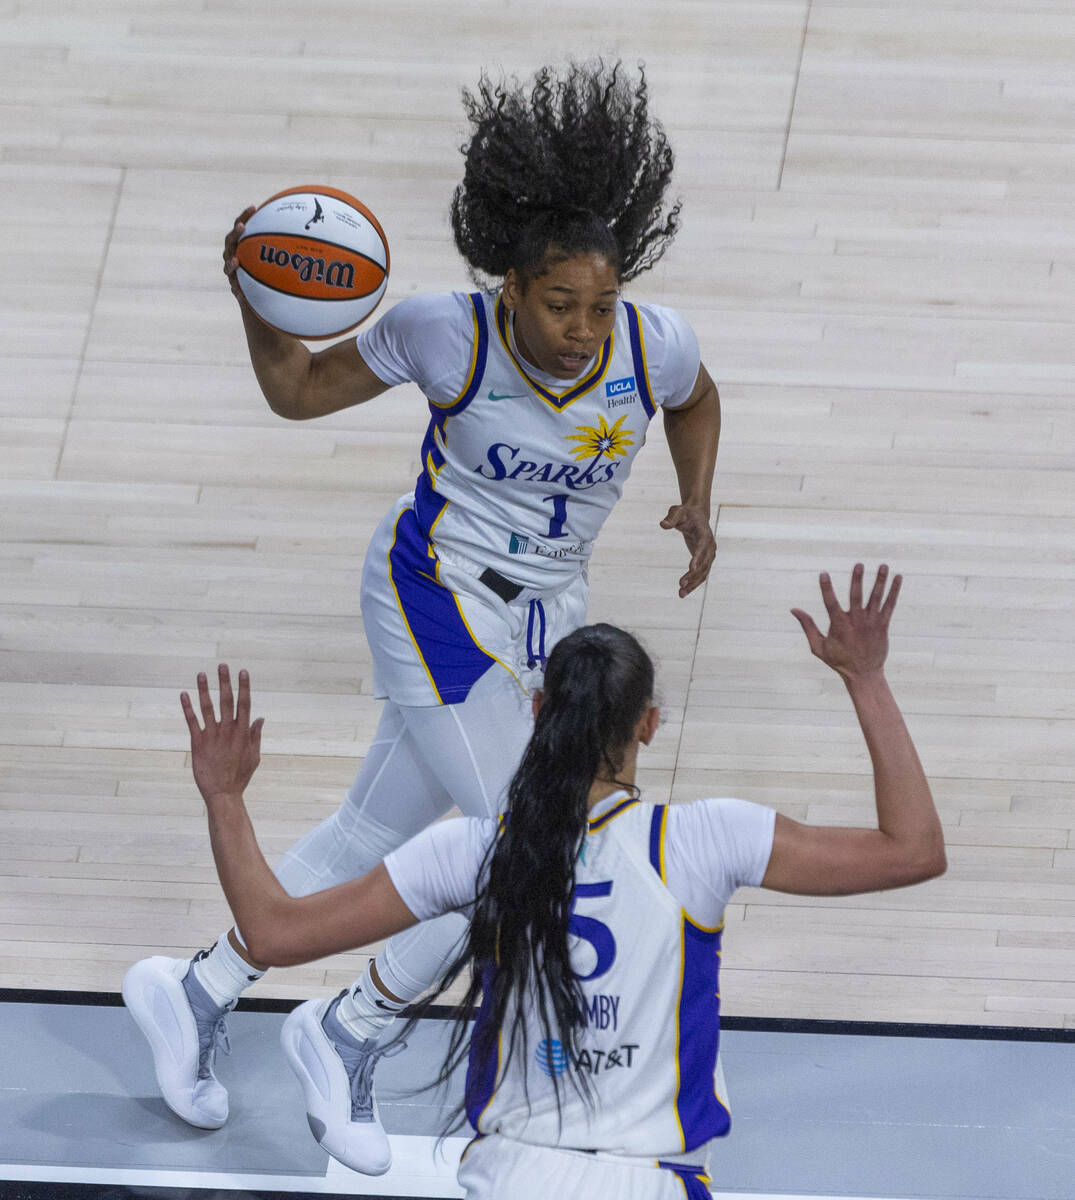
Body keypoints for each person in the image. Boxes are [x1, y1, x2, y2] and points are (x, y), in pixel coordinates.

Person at [122, 60, 722, 1173]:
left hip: (545, 621)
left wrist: (696, 499)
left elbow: (696, 400)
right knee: (518, 848)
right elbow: (297, 390)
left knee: (373, 833)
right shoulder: (443, 334)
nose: (584, 328)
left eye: (599, 303)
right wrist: (257, 298)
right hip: (434, 597)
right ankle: (346, 1029)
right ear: (508, 281)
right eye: (559, 304)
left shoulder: (654, 344)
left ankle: (196, 991)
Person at [174, 564, 945, 1199]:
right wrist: (864, 677)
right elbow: (912, 850)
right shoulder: (704, 841)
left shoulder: (475, 852)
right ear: (647, 723)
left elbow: (273, 932)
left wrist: (226, 799)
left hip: (511, 1175)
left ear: (537, 710)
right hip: (647, 1182)